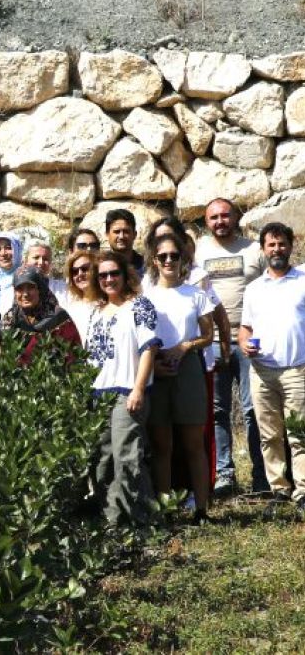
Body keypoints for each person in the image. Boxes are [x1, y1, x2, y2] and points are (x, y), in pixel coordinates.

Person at [194, 198, 267, 495]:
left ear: (236, 217)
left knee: (254, 410)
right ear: (206, 221)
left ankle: (261, 476)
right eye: (214, 217)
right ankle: (225, 474)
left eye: (225, 215)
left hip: (249, 341)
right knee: (218, 410)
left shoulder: (254, 250)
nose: (220, 221)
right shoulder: (198, 250)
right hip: (211, 342)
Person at [85, 251, 160, 525]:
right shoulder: (96, 311)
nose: (108, 279)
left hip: (126, 391)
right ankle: (113, 521)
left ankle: (144, 520)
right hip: (98, 394)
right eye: (102, 275)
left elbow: (149, 348)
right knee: (103, 461)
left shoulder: (139, 305)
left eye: (113, 273)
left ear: (125, 275)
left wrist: (138, 389)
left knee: (127, 458)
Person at [143, 233, 214, 524]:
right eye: (163, 256)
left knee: (193, 444)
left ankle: (202, 510)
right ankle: (166, 510)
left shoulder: (196, 295)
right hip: (156, 370)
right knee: (162, 446)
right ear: (154, 260)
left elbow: (208, 336)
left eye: (174, 256)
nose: (169, 261)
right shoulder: (145, 297)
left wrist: (185, 346)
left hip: (188, 370)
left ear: (183, 259)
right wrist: (157, 359)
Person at [239, 222, 305, 519]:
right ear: (263, 249)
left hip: (297, 371)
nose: (277, 249)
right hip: (262, 371)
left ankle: (303, 491)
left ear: (291, 245)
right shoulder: (253, 289)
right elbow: (245, 328)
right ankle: (279, 489)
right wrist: (243, 344)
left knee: (299, 434)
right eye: (271, 245)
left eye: (281, 244)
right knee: (269, 435)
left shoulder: (303, 279)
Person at [0, 267, 81, 366]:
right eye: (19, 288)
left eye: (31, 287)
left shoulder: (58, 318)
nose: (25, 294)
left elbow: (73, 359)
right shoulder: (10, 319)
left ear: (40, 288)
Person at [63, 251, 100, 344]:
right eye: (74, 271)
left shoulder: (109, 304)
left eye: (85, 268)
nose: (80, 274)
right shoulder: (70, 310)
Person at [23, 239, 67, 304]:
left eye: (45, 259)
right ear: (25, 261)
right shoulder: (18, 289)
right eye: (36, 257)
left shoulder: (62, 288)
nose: (41, 262)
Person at [105, 209, 145, 278]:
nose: (121, 236)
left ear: (134, 234)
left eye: (126, 231)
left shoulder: (146, 267)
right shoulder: (100, 267)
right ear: (107, 234)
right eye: (117, 232)